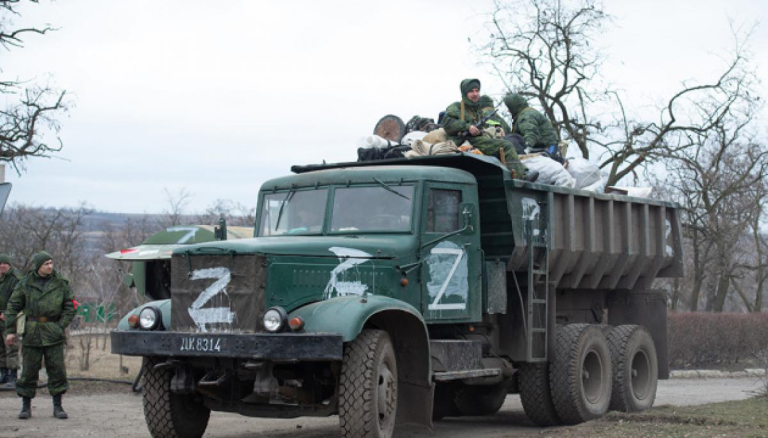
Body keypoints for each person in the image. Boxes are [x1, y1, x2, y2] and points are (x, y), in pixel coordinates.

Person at [4, 251, 75, 420]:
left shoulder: (61, 283)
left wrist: (60, 326)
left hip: (53, 332)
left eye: (51, 263)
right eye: (46, 264)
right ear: (38, 266)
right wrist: (10, 331)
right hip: (32, 332)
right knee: (28, 371)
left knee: (57, 371)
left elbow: (70, 307)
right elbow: (13, 306)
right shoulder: (25, 283)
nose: (50, 266)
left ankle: (58, 406)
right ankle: (25, 407)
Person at [442, 78, 528, 178]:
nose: (475, 94)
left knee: (503, 142)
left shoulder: (477, 110)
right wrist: (467, 127)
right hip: (462, 141)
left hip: (476, 139)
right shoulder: (456, 107)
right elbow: (447, 124)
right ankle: (519, 176)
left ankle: (520, 171)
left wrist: (480, 131)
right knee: (506, 146)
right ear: (465, 93)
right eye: (471, 91)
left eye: (477, 91)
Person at [0, 253, 22, 388]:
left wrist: (8, 313)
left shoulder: (15, 279)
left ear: (9, 265)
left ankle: (13, 377)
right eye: (0, 264)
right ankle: (4, 374)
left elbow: (18, 299)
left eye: (5, 263)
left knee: (11, 347)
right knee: (1, 349)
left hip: (10, 319)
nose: (2, 266)